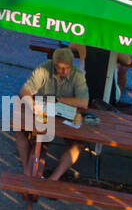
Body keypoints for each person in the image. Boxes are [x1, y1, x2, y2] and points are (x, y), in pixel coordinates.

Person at [14, 48, 90, 180]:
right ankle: (27, 171)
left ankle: (53, 179)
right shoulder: (43, 69)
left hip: (64, 115)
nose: (64, 71)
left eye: (67, 68)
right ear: (53, 64)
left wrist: (58, 100)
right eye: (60, 68)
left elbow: (84, 102)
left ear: (72, 65)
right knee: (22, 132)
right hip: (43, 112)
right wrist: (33, 105)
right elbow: (24, 91)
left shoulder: (77, 75)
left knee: (78, 144)